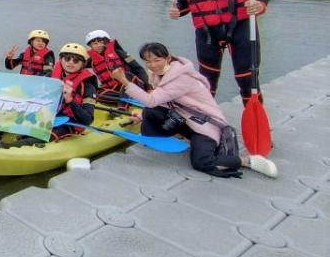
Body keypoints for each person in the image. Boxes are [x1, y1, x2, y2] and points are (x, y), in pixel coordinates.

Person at [112, 42, 277, 178]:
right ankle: (173, 136)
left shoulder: (180, 78)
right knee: (150, 111)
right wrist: (141, 115)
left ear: (168, 58)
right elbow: (160, 102)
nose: (152, 65)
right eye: (147, 61)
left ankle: (248, 161)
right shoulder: (161, 74)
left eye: (157, 60)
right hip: (187, 119)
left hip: (205, 125)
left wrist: (125, 82)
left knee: (202, 162)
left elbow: (152, 99)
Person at [0, 43, 96, 148]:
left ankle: (4, 146)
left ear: (83, 64)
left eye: (76, 60)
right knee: (16, 113)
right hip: (49, 114)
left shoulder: (88, 85)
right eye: (67, 58)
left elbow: (87, 120)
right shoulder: (52, 76)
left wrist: (70, 100)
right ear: (61, 60)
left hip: (69, 122)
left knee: (47, 133)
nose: (71, 62)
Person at [85, 30, 148, 107]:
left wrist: (148, 87)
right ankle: (127, 99)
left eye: (101, 42)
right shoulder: (91, 60)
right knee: (98, 94)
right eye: (94, 44)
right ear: (91, 46)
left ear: (106, 42)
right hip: (114, 89)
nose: (98, 45)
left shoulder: (120, 53)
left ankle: (122, 107)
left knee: (127, 75)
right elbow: (79, 69)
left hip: (131, 83)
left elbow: (138, 69)